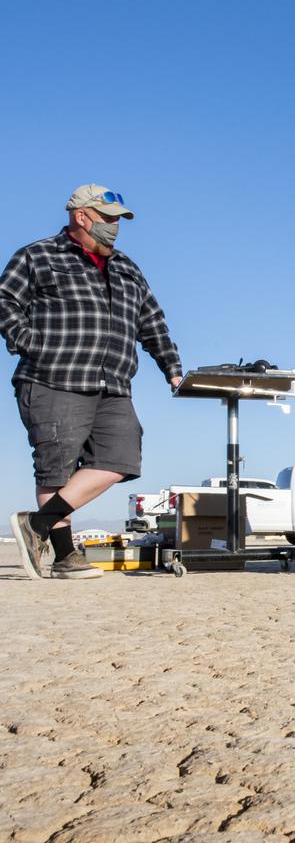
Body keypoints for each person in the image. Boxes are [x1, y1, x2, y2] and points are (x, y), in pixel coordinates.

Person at [1, 185, 183, 579]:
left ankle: (36, 526)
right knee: (56, 470)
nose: (115, 226)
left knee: (120, 459)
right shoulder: (37, 256)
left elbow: (151, 321)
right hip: (53, 377)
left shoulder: (127, 267)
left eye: (118, 219)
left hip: (114, 382)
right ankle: (65, 557)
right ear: (81, 216)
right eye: (108, 218)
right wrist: (30, 342)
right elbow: (5, 302)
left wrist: (171, 366)